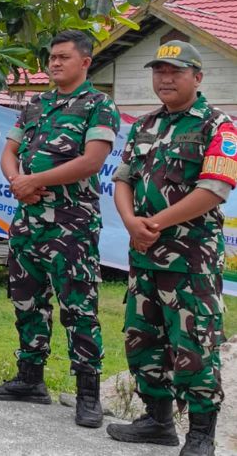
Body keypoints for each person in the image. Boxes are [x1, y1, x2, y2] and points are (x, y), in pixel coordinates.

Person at [0, 30, 120, 429]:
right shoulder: (35, 105)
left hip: (71, 225)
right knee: (26, 300)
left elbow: (92, 161)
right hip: (27, 222)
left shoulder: (98, 106)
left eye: (63, 57)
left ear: (85, 62)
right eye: (51, 58)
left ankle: (88, 393)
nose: (55, 63)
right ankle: (30, 379)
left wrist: (35, 182)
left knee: (78, 307)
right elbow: (9, 150)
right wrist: (15, 181)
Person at [106, 41, 234, 455]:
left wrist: (155, 223)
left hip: (191, 259)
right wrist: (130, 222)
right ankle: (157, 421)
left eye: (175, 71)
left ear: (198, 77)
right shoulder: (145, 125)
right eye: (159, 70)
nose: (165, 78)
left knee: (194, 343)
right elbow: (123, 178)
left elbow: (214, 189)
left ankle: (201, 435)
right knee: (142, 338)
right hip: (143, 255)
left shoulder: (219, 126)